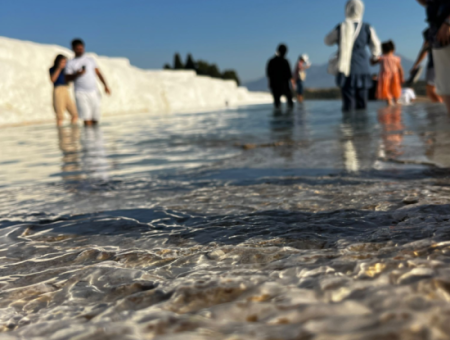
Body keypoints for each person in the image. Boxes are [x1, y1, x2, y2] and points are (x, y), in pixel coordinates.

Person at [325, 0, 381, 112]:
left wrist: (341, 41)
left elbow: (327, 41)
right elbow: (376, 47)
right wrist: (374, 57)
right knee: (362, 103)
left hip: (346, 69)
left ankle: (349, 128)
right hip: (363, 68)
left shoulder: (341, 27)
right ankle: (362, 129)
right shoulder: (366, 27)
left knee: (348, 104)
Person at [65, 39, 111, 126]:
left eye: (81, 48)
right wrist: (77, 74)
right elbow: (67, 78)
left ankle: (95, 138)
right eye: (78, 49)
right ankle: (88, 138)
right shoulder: (70, 63)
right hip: (80, 92)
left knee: (95, 118)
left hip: (93, 92)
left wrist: (105, 85)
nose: (80, 50)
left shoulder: (90, 60)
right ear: (73, 49)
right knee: (86, 118)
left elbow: (98, 73)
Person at [416, 0, 450, 113]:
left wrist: (448, 22)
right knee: (445, 90)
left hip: (444, 33)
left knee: (441, 89)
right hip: (438, 40)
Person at [410, 29, 443, 103]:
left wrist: (415, 65)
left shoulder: (431, 30)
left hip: (435, 63)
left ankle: (441, 109)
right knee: (442, 91)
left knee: (430, 90)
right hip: (443, 62)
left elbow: (424, 50)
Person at [372, 41, 404, 106]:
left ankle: (389, 101)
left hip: (385, 77)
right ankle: (396, 100)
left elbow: (372, 63)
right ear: (393, 50)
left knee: (386, 89)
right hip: (395, 76)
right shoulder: (396, 59)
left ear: (382, 50)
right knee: (395, 88)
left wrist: (374, 55)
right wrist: (402, 77)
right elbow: (400, 69)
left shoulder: (381, 58)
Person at [49, 55, 78, 127]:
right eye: (62, 62)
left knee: (75, 114)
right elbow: (53, 80)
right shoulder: (52, 69)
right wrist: (59, 68)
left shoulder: (66, 70)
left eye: (65, 62)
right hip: (58, 90)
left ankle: (73, 130)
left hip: (66, 90)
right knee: (60, 115)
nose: (64, 64)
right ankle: (61, 134)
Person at [267, 44, 294, 110]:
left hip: (275, 85)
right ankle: (289, 116)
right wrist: (292, 84)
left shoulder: (271, 61)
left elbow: (269, 74)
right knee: (289, 101)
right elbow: (289, 75)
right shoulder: (285, 62)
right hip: (284, 85)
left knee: (277, 103)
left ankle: (278, 118)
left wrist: (270, 83)